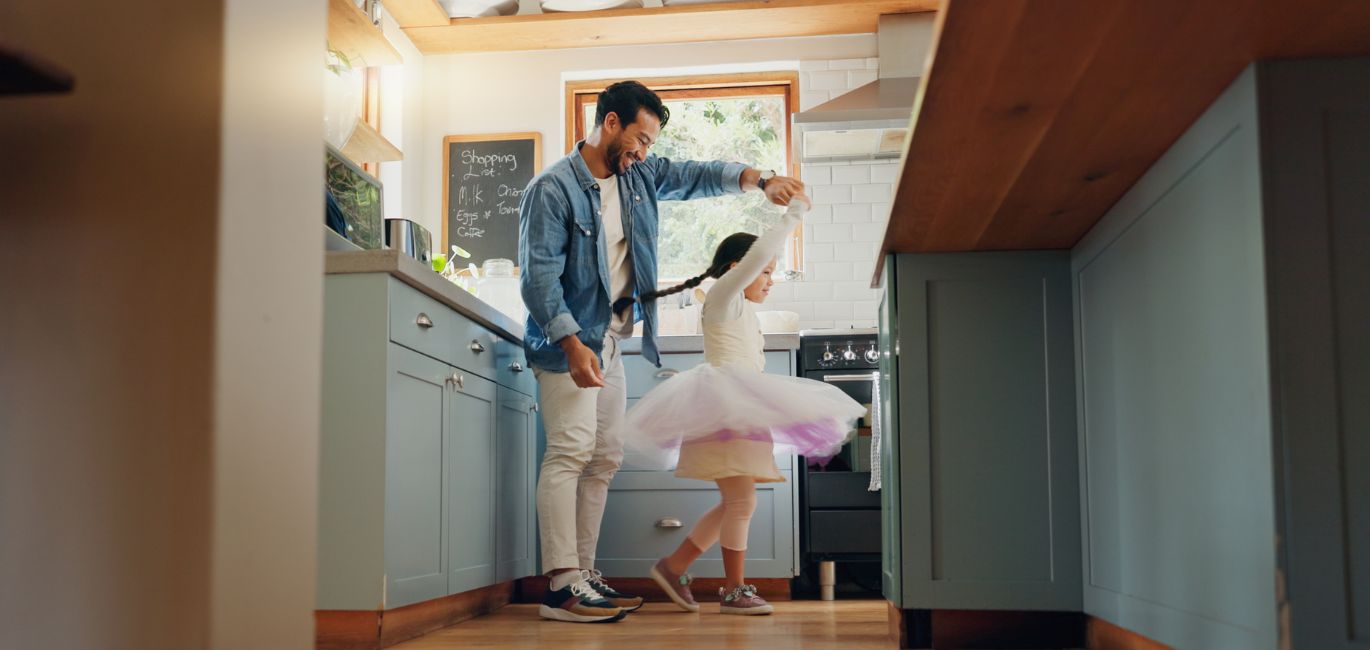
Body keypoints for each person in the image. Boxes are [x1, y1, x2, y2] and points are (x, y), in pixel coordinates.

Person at [518, 80, 806, 624]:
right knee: (571, 452)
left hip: (612, 340)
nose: (645, 152)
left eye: (650, 144)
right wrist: (572, 343)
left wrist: (760, 181)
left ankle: (584, 576)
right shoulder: (552, 189)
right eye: (639, 139)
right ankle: (560, 586)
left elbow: (696, 175)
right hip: (569, 341)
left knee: (604, 458)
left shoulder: (639, 174)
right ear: (610, 124)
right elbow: (538, 280)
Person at [617, 199, 866, 616]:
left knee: (741, 499)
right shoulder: (724, 295)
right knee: (741, 500)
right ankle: (728, 588)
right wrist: (792, 217)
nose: (769, 279)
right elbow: (759, 256)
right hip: (726, 407)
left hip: (738, 407)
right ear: (739, 268)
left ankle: (677, 566)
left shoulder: (741, 309)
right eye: (764, 271)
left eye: (771, 273)